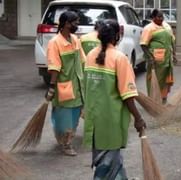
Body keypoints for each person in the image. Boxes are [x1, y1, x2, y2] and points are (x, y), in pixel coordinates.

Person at [83, 19, 146, 179]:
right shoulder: (120, 58)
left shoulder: (90, 55)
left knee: (106, 159)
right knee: (107, 163)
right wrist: (138, 118)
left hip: (94, 119)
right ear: (117, 35)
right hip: (111, 119)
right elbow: (128, 95)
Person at [45, 11, 86, 156]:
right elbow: (54, 67)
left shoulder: (75, 39)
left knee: (75, 114)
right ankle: (65, 143)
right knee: (64, 116)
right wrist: (51, 87)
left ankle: (67, 139)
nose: (77, 25)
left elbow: (83, 60)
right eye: (75, 22)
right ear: (66, 24)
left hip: (78, 86)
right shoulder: (54, 43)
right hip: (64, 86)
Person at [140, 9, 177, 104]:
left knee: (165, 79)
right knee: (154, 79)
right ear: (153, 17)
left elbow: (172, 40)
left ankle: (163, 98)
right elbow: (143, 44)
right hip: (156, 60)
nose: (161, 19)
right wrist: (150, 57)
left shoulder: (166, 26)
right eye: (159, 17)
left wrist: (174, 54)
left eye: (162, 16)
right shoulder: (149, 28)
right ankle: (153, 99)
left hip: (167, 59)